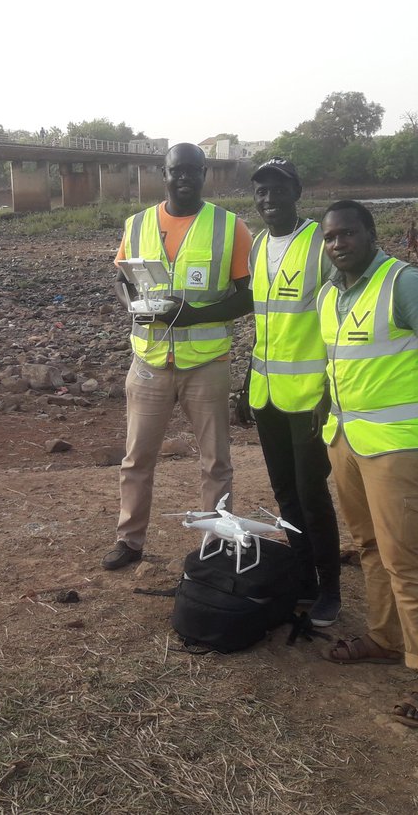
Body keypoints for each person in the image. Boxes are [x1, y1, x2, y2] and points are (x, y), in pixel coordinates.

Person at [316, 200, 418, 729]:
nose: (338, 244)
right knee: (368, 546)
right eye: (330, 237)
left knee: (406, 559)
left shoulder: (405, 284)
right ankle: (384, 639)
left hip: (400, 446)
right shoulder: (330, 295)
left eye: (347, 233)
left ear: (370, 234)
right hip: (347, 440)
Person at [101, 143, 253, 570]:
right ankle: (129, 541)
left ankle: (215, 546)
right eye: (176, 170)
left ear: (204, 174)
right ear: (163, 174)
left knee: (216, 463)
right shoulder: (137, 224)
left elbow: (248, 296)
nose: (184, 177)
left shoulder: (230, 227)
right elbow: (122, 279)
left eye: (192, 170)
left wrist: (196, 315)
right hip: (149, 361)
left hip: (207, 363)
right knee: (136, 460)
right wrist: (131, 304)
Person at [236, 158, 342, 627]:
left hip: (310, 397)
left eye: (278, 190)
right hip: (267, 394)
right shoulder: (258, 246)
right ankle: (304, 579)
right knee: (285, 493)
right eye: (261, 191)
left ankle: (331, 590)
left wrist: (331, 391)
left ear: (296, 193)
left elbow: (341, 317)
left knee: (311, 493)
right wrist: (246, 383)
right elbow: (265, 324)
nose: (269, 199)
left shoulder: (320, 243)